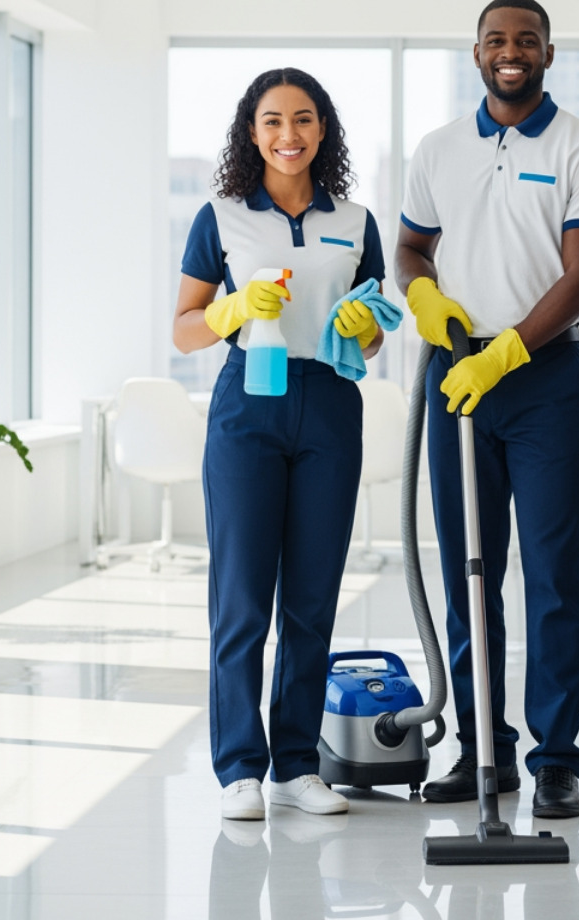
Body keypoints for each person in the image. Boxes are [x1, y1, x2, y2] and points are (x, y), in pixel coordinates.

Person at [395, 0, 579, 818]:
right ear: (477, 52)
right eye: (497, 39)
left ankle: (556, 758)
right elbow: (411, 246)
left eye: (526, 40)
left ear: (549, 54)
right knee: (468, 570)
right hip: (456, 375)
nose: (511, 51)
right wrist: (424, 298)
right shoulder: (440, 148)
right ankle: (482, 749)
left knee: (556, 574)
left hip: (544, 380)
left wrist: (509, 351)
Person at [174, 68, 390, 820]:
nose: (288, 135)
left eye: (302, 120)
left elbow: (372, 320)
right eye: (272, 122)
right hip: (249, 404)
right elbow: (183, 326)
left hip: (330, 403)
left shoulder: (357, 222)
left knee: (311, 597)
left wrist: (366, 326)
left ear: (323, 128)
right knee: (241, 597)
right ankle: (240, 764)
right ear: (251, 131)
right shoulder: (222, 215)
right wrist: (231, 309)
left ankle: (298, 764)